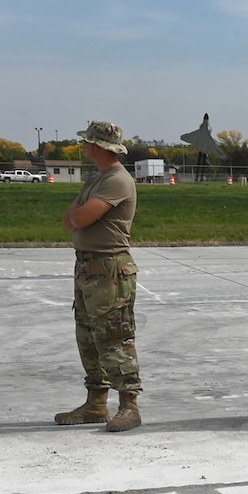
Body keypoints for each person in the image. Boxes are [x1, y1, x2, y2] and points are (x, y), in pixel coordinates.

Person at [52, 120, 143, 432]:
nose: (84, 146)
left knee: (115, 337)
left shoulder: (117, 180)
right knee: (88, 337)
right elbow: (69, 220)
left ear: (98, 147)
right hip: (88, 268)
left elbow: (80, 216)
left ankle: (129, 405)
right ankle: (96, 402)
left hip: (109, 269)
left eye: (88, 142)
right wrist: (76, 215)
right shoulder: (98, 179)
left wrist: (77, 215)